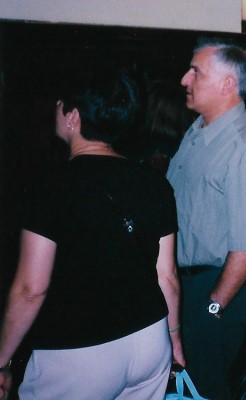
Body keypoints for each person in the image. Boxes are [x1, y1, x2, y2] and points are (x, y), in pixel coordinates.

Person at [0, 70, 183, 400]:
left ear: (73, 117)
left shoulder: (50, 186)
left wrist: (2, 359)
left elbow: (31, 289)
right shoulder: (154, 183)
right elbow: (166, 276)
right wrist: (175, 339)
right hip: (150, 341)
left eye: (60, 105)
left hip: (81, 351)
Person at [166, 39, 246, 400]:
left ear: (227, 84)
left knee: (206, 389)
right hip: (185, 283)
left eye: (195, 72)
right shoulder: (197, 132)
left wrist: (213, 306)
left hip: (216, 287)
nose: (185, 79)